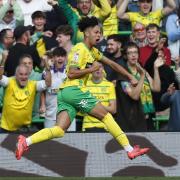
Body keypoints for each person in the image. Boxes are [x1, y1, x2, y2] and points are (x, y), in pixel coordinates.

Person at [15, 16, 149, 161]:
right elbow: (71, 73)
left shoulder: (93, 51)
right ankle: (129, 149)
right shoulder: (80, 49)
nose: (99, 35)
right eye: (96, 32)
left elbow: (112, 64)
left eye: (100, 33)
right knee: (106, 116)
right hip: (74, 91)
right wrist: (91, 70)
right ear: (86, 33)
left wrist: (129, 76)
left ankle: (26, 141)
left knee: (59, 131)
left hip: (65, 94)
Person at [116, 42, 163, 131]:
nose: (133, 55)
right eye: (130, 53)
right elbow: (134, 96)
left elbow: (156, 88)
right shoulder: (124, 74)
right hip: (133, 120)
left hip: (148, 118)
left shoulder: (143, 70)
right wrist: (142, 76)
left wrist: (156, 69)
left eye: (136, 52)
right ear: (125, 56)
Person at [0, 59, 51, 132]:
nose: (23, 77)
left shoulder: (33, 85)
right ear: (16, 75)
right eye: (21, 74)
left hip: (25, 129)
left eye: (25, 74)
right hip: (6, 129)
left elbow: (48, 83)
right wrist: (3, 60)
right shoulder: (9, 82)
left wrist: (47, 68)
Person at [82, 62, 116, 132]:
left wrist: (97, 105)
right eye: (95, 67)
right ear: (91, 69)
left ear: (103, 69)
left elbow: (113, 110)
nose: (98, 69)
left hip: (105, 126)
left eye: (100, 67)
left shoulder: (110, 85)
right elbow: (81, 106)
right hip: (87, 126)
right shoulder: (84, 85)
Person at [39, 47, 67, 128]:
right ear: (53, 58)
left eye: (62, 56)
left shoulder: (69, 72)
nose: (60, 58)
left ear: (65, 58)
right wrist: (43, 104)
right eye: (58, 56)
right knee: (48, 140)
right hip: (50, 114)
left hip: (67, 114)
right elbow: (43, 90)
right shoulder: (46, 72)